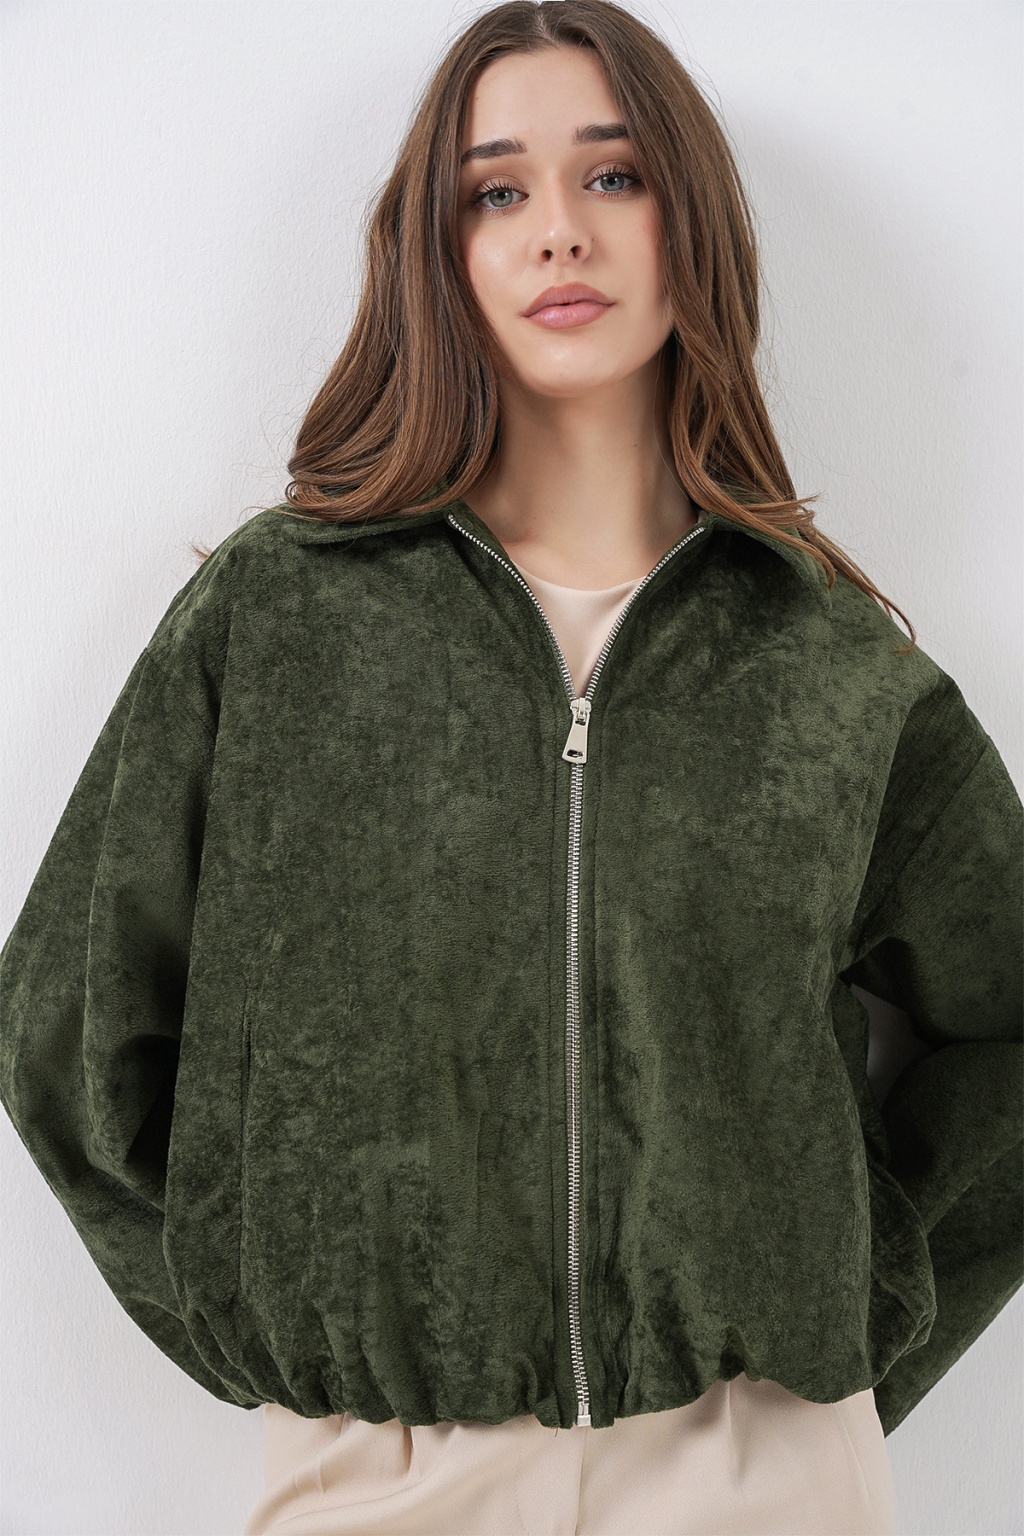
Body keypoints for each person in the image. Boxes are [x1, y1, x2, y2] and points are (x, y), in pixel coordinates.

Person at [0, 2, 1020, 1534]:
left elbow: (1007, 1027)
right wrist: (263, 1321)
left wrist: (855, 1322)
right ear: (441, 247)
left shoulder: (822, 661)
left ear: (690, 224)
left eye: (613, 176)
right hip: (382, 1478)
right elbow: (62, 1031)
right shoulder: (279, 620)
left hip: (764, 1470)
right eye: (497, 189)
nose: (559, 230)